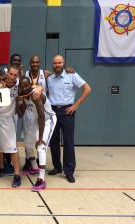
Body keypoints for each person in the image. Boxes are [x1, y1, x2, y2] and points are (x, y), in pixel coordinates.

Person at [47, 55, 91, 183]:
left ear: (64, 63)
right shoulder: (49, 78)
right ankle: (57, 167)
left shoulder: (72, 75)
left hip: (67, 112)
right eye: (55, 63)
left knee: (68, 142)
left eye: (59, 63)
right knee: (53, 141)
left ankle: (69, 171)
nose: (57, 65)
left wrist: (76, 105)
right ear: (52, 64)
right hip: (53, 112)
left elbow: (87, 89)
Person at [16, 77, 57, 191]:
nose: (24, 88)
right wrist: (16, 102)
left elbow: (42, 117)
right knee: (28, 143)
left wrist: (39, 138)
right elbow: (20, 114)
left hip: (48, 120)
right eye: (22, 86)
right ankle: (34, 167)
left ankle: (41, 180)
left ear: (31, 85)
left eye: (26, 86)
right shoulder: (25, 96)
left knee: (40, 147)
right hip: (37, 120)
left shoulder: (35, 95)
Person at [0, 64, 21, 188]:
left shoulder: (19, 87)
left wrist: (39, 88)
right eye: (11, 74)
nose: (12, 77)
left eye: (15, 75)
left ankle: (17, 175)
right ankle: (2, 168)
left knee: (12, 148)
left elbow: (34, 87)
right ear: (7, 73)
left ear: (17, 76)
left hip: (8, 120)